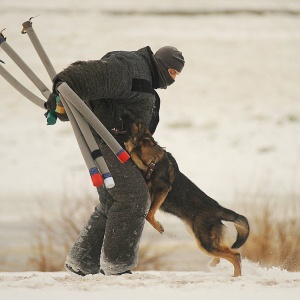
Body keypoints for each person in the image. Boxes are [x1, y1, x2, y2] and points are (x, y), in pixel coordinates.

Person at [45, 45, 185, 276]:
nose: (173, 79)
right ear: (160, 63)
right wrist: (65, 83)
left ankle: (82, 262)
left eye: (177, 75)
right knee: (133, 197)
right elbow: (99, 72)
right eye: (172, 72)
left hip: (113, 143)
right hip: (108, 143)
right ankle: (116, 267)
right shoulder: (133, 68)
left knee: (113, 200)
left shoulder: (144, 75)